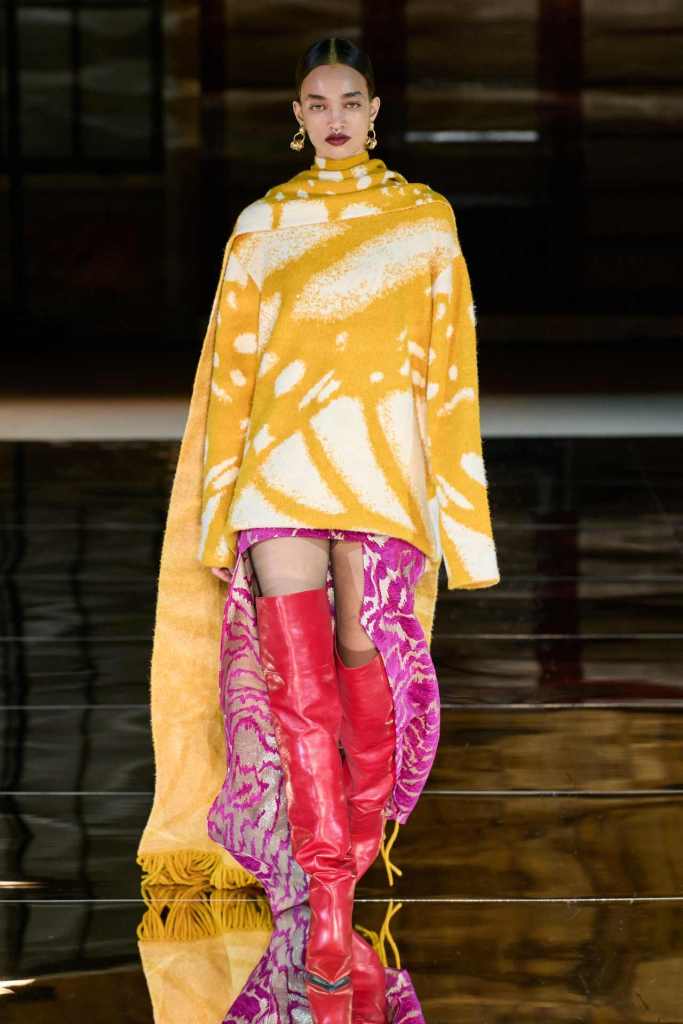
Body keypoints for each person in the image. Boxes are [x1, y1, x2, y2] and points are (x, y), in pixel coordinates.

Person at [140, 35, 500, 1024]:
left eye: (349, 100)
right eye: (316, 102)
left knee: (359, 654)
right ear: (295, 119)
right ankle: (328, 900)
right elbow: (232, 375)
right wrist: (220, 504)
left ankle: (353, 841)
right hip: (279, 471)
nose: (334, 116)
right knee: (297, 691)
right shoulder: (263, 227)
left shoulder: (423, 221)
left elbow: (450, 370)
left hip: (380, 476)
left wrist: (462, 525)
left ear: (375, 111)